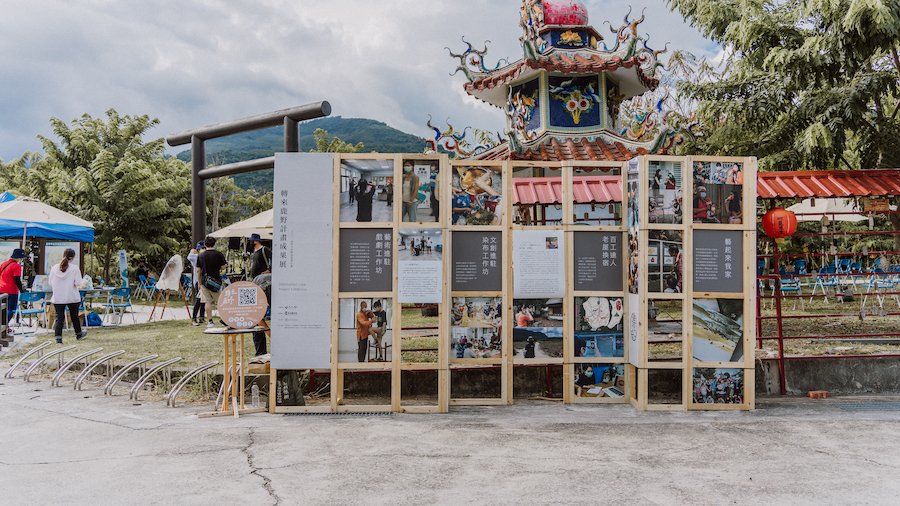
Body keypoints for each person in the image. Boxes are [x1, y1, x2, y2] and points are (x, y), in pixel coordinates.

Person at [48, 248, 86, 344]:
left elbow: (50, 282)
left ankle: (58, 338)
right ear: (73, 257)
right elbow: (77, 282)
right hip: (72, 296)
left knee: (59, 317)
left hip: (58, 297)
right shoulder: (74, 268)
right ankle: (78, 333)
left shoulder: (54, 268)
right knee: (74, 316)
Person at [248, 233, 273, 355]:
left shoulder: (265, 249)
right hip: (257, 281)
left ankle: (262, 351)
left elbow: (273, 259)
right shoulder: (254, 251)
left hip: (265, 281)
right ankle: (260, 353)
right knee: (256, 318)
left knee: (257, 317)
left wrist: (269, 269)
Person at [198, 236, 226, 328]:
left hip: (204, 281)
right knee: (220, 302)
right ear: (214, 244)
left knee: (207, 302)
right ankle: (224, 319)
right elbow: (223, 267)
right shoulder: (219, 254)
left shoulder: (201, 255)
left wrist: (199, 282)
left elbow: (198, 270)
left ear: (205, 245)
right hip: (216, 281)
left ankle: (210, 321)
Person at [0, 248, 27, 328]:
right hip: (11, 290)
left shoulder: (3, 264)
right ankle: (4, 326)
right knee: (10, 310)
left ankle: (3, 326)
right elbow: (17, 280)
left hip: (1, 289)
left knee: (2, 309)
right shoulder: (17, 266)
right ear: (19, 257)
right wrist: (21, 290)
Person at [188, 241, 206, 326]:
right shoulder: (196, 257)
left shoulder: (204, 256)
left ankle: (201, 317)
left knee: (204, 300)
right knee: (198, 300)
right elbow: (189, 256)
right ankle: (194, 318)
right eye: (200, 249)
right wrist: (192, 250)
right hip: (198, 281)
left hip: (204, 280)